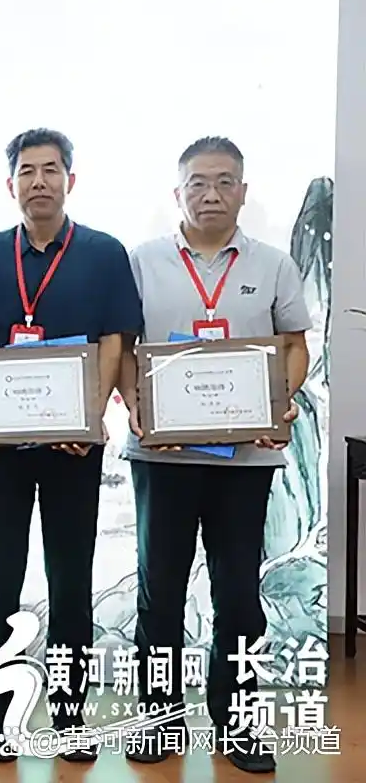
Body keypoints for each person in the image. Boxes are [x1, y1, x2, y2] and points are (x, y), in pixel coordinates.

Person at [0, 128, 143, 763]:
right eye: (27, 171)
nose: (39, 181)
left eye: (50, 170)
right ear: (11, 184)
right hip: (1, 452)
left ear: (70, 180)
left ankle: (67, 714)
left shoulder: (103, 254)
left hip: (72, 450)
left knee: (69, 580)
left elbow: (115, 343)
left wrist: (89, 416)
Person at [119, 136, 310, 774]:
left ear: (243, 192)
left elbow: (293, 346)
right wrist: (135, 405)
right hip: (163, 457)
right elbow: (123, 347)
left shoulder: (273, 265)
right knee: (160, 594)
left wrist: (281, 401)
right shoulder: (142, 262)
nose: (211, 194)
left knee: (239, 596)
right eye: (198, 183)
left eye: (225, 182)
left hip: (244, 460)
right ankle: (157, 720)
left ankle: (237, 723)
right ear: (178, 193)